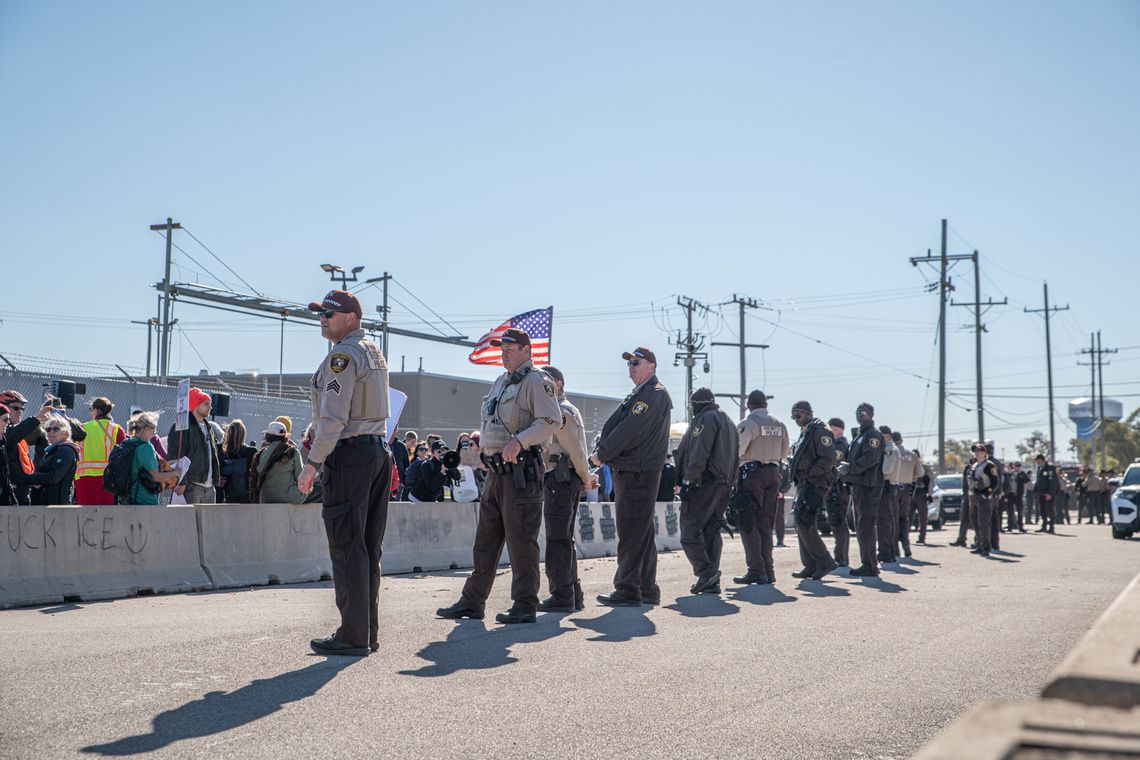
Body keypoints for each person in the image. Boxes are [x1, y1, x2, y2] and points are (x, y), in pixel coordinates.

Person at [436, 327, 560, 624]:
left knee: (521, 542)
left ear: (526, 351)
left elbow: (551, 420)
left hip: (521, 472)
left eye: (510, 349)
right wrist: (481, 454)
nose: (503, 354)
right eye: (501, 349)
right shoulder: (501, 382)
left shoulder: (536, 381)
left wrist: (520, 441)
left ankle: (525, 604)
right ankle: (472, 602)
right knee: (485, 541)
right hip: (495, 472)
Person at [298, 289, 392, 656]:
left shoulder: (342, 356)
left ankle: (353, 635)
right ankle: (365, 631)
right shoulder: (372, 349)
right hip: (375, 453)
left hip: (351, 457)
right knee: (367, 547)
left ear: (350, 318)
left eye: (329, 314)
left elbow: (335, 418)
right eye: (320, 314)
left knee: (347, 545)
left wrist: (312, 464)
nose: (322, 319)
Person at [590, 347, 672, 607]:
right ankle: (646, 588)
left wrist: (601, 455)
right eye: (629, 363)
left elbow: (630, 429)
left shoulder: (653, 394)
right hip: (634, 469)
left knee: (631, 531)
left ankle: (627, 588)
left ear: (652, 366)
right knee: (642, 532)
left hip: (638, 470)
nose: (631, 367)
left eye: (636, 362)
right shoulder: (642, 393)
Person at [537, 365, 596, 613]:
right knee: (564, 539)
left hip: (560, 479)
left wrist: (585, 475)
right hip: (564, 479)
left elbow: (574, 450)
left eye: (547, 384)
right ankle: (573, 594)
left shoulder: (560, 411)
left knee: (558, 539)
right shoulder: (565, 409)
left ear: (558, 384)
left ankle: (562, 595)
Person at [673, 388, 737, 594]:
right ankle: (712, 581)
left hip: (705, 483)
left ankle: (707, 572)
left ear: (696, 404)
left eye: (691, 405)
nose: (691, 409)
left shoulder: (704, 419)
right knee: (711, 530)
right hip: (724, 484)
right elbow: (737, 457)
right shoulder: (729, 422)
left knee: (689, 532)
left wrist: (688, 480)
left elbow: (699, 452)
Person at [732, 390, 788, 585]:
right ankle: (768, 570)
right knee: (766, 523)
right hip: (773, 473)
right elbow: (784, 451)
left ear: (749, 405)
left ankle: (756, 570)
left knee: (748, 522)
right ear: (766, 404)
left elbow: (737, 451)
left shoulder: (749, 423)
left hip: (752, 475)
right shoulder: (779, 425)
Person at [788, 401, 838, 580]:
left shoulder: (821, 430)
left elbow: (828, 458)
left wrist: (809, 474)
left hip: (816, 483)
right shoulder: (806, 431)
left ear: (807, 413)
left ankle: (825, 562)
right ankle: (809, 565)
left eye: (798, 416)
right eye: (793, 416)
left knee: (805, 521)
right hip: (804, 483)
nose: (795, 419)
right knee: (800, 521)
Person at [838, 403, 885, 577]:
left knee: (865, 526)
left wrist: (850, 468)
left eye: (863, 413)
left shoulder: (873, 434)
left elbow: (870, 458)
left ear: (871, 415)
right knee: (860, 526)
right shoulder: (860, 434)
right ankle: (868, 562)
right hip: (859, 485)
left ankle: (870, 565)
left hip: (869, 486)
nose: (860, 415)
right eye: (857, 412)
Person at [165, 388, 222, 504]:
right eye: (206, 404)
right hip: (191, 487)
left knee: (208, 522)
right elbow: (175, 456)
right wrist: (181, 482)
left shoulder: (208, 427)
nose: (210, 407)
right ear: (196, 405)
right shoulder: (182, 427)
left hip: (210, 488)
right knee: (190, 521)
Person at [1, 390, 57, 505]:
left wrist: (36, 477)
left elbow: (34, 438)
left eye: (22, 409)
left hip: (22, 491)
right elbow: (13, 434)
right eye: (16, 408)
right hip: (9, 493)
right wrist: (36, 419)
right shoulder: (7, 435)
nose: (20, 412)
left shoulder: (19, 433)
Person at [123, 412, 180, 505]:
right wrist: (175, 473)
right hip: (144, 501)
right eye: (153, 431)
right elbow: (156, 477)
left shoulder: (127, 443)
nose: (153, 435)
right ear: (146, 429)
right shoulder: (146, 447)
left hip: (127, 499)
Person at [27, 416, 80, 505]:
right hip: (45, 502)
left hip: (55, 505)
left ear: (66, 434)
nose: (51, 432)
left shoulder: (65, 450)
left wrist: (29, 479)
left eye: (56, 429)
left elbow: (54, 477)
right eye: (48, 429)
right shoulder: (52, 450)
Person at [249, 421, 306, 504]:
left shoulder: (260, 455)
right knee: (319, 490)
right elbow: (301, 478)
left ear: (268, 436)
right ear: (286, 436)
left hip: (266, 498)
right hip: (291, 498)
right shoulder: (292, 452)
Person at [825, 417, 851, 566]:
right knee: (837, 521)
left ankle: (841, 557)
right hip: (837, 487)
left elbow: (834, 462)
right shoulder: (839, 443)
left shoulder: (840, 444)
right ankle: (841, 556)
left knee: (838, 521)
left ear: (836, 429)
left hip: (838, 487)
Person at [966, 442, 1000, 557]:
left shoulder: (989, 466)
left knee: (984, 523)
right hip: (974, 496)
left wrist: (987, 493)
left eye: (979, 451)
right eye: (975, 451)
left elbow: (995, 483)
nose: (977, 453)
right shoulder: (974, 465)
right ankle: (979, 545)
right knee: (974, 521)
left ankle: (986, 547)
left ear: (985, 453)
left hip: (984, 498)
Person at [877, 425, 901, 563]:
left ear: (886, 436)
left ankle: (886, 552)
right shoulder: (890, 448)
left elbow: (886, 469)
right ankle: (889, 551)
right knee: (887, 521)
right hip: (890, 487)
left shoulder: (889, 449)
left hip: (887, 486)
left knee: (884, 521)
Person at [220, 420, 257, 503]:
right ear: (243, 434)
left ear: (228, 435)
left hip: (228, 495)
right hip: (246, 495)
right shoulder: (251, 452)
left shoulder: (223, 453)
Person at [892, 431, 915, 559]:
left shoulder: (891, 452)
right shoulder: (911, 455)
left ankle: (895, 550)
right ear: (901, 440)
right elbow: (920, 472)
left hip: (894, 488)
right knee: (904, 518)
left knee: (894, 518)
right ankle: (906, 546)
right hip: (907, 489)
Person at [1034, 454, 1060, 534]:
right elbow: (1038, 481)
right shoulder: (1039, 468)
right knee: (1043, 511)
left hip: (1048, 494)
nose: (1037, 462)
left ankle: (1051, 527)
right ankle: (1044, 526)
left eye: (1038, 460)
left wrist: (1050, 493)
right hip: (1041, 493)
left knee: (1050, 511)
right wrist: (1035, 491)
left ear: (1042, 460)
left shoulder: (1050, 468)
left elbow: (1053, 482)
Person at [911, 450, 932, 544]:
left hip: (921, 492)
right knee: (907, 516)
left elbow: (930, 481)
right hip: (910, 492)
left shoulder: (925, 467)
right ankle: (904, 538)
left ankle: (922, 537)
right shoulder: (907, 466)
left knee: (923, 517)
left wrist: (929, 494)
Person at [0, 404, 16, 505]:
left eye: (9, 419)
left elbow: (5, 476)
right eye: (5, 419)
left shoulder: (2, 443)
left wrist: (11, 496)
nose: (8, 422)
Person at [390, 429, 412, 500]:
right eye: (392, 428)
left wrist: (403, 482)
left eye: (395, 429)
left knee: (395, 504)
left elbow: (407, 465)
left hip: (398, 483)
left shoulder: (401, 446)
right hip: (383, 482)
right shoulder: (382, 443)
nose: (394, 431)